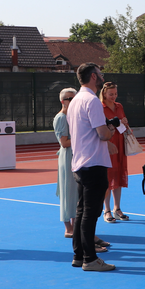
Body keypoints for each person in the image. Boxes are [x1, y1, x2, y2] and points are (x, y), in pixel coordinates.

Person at [68, 62, 117, 272]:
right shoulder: (92, 101)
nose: (102, 75)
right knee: (90, 213)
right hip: (93, 163)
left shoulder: (75, 100)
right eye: (100, 73)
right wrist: (112, 128)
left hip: (80, 163)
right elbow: (102, 134)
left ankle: (79, 255)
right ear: (94, 77)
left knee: (81, 211)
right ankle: (90, 258)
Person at [100, 81, 131, 223]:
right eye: (111, 94)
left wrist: (124, 122)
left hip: (120, 144)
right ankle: (106, 209)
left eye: (115, 94)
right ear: (104, 93)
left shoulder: (119, 106)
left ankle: (117, 208)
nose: (113, 97)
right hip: (108, 145)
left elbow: (124, 126)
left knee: (118, 176)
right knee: (107, 177)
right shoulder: (100, 107)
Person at [53, 88, 78, 238]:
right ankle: (68, 227)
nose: (73, 101)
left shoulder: (73, 116)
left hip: (75, 155)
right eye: (70, 98)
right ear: (63, 101)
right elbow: (64, 142)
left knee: (75, 192)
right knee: (67, 191)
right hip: (68, 156)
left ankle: (75, 225)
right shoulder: (62, 117)